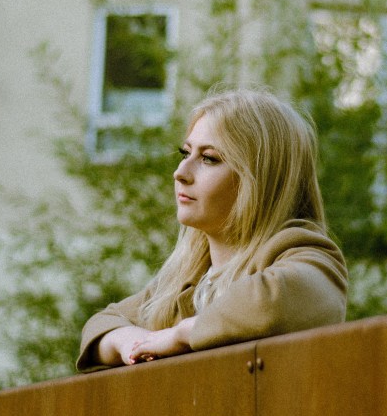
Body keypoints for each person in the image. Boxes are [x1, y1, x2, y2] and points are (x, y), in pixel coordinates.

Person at [76, 88, 348, 372]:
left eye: (209, 158)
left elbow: (273, 302)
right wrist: (131, 341)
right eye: (185, 153)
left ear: (259, 180)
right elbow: (100, 325)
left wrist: (180, 335)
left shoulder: (307, 254)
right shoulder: (185, 280)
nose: (180, 172)